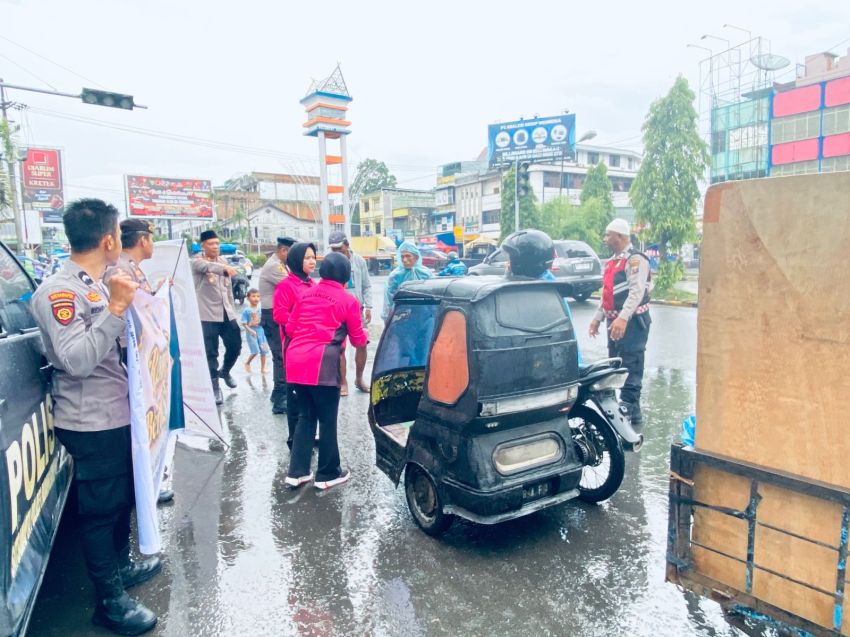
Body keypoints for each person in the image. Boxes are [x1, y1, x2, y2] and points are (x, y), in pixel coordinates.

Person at [30, 199, 159, 635]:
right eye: (117, 235)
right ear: (107, 240)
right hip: (91, 421)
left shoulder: (101, 282)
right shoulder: (59, 291)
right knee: (100, 511)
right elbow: (78, 361)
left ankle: (120, 568)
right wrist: (117, 309)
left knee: (122, 498)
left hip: (118, 412)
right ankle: (108, 601)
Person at [104, 218, 175, 505]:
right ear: (143, 240)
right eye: (151, 238)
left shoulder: (131, 269)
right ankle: (142, 487)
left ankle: (147, 480)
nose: (152, 244)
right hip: (129, 355)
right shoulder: (120, 270)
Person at [284, 252, 368, 489]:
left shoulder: (305, 294)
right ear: (346, 276)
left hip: (295, 361)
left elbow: (290, 329)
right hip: (322, 364)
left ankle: (297, 472)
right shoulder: (348, 300)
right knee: (327, 420)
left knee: (305, 416)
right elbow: (358, 338)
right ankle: (328, 474)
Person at [589, 218, 652, 425]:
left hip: (633, 322)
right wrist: (598, 319)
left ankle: (629, 406)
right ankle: (628, 410)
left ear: (620, 237)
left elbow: (636, 292)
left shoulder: (635, 260)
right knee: (616, 362)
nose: (605, 239)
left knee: (631, 362)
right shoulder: (613, 261)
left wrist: (623, 318)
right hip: (614, 321)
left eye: (609, 235)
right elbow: (607, 294)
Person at [502, 229, 582, 364]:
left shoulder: (537, 292)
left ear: (523, 262)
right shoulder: (548, 285)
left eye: (511, 259)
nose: (508, 263)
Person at [272, 241, 317, 447]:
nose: (312, 261)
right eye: (307, 258)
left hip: (313, 347)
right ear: (296, 260)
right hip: (294, 346)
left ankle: (310, 433)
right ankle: (294, 437)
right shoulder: (286, 286)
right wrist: (303, 325)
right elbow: (279, 315)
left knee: (312, 392)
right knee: (296, 395)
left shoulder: (312, 285)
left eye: (313, 257)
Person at [191, 230, 241, 405]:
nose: (215, 247)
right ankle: (214, 388)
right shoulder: (196, 261)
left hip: (226, 312)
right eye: (211, 244)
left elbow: (227, 290)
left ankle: (225, 371)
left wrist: (234, 313)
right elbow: (208, 267)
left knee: (235, 346)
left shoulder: (224, 260)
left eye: (217, 243)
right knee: (210, 353)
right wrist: (224, 269)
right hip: (207, 314)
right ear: (203, 245)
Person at [327, 230, 372, 395]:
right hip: (337, 309)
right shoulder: (330, 261)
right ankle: (342, 382)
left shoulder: (359, 261)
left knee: (362, 344)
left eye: (339, 248)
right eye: (333, 249)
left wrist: (369, 306)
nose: (336, 252)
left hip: (357, 309)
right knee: (338, 346)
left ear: (347, 245)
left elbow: (367, 285)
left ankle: (359, 378)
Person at [259, 236, 296, 414]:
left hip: (275, 315)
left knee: (281, 355)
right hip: (272, 316)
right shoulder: (274, 266)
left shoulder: (281, 264)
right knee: (280, 357)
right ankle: (281, 399)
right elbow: (293, 286)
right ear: (283, 251)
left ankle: (277, 393)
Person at [383, 241, 432, 321]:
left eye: (408, 256)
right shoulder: (395, 276)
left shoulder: (426, 273)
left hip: (424, 315)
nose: (404, 260)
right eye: (402, 257)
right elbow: (389, 300)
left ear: (416, 257)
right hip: (402, 317)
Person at [241, 288, 269, 374]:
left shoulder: (261, 309)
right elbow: (244, 323)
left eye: (258, 296)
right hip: (252, 333)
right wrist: (250, 330)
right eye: (253, 296)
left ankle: (263, 368)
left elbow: (265, 320)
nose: (256, 298)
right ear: (248, 298)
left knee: (264, 351)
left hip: (262, 333)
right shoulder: (246, 311)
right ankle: (247, 363)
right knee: (255, 351)